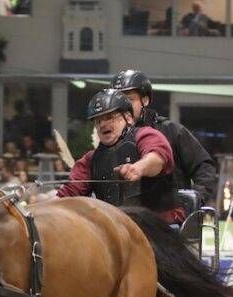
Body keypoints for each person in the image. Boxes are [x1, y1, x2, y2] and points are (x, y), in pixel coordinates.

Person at [57, 89, 182, 223]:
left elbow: (157, 157)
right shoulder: (90, 160)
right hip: (116, 226)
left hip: (160, 223)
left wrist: (138, 168)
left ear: (128, 118)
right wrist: (48, 204)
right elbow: (70, 192)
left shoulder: (146, 135)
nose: (102, 124)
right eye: (98, 121)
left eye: (109, 118)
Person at [111, 69, 219, 211]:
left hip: (170, 216)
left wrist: (194, 200)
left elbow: (204, 167)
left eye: (129, 100)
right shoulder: (110, 137)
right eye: (117, 101)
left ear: (145, 100)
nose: (122, 106)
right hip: (125, 216)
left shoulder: (171, 130)